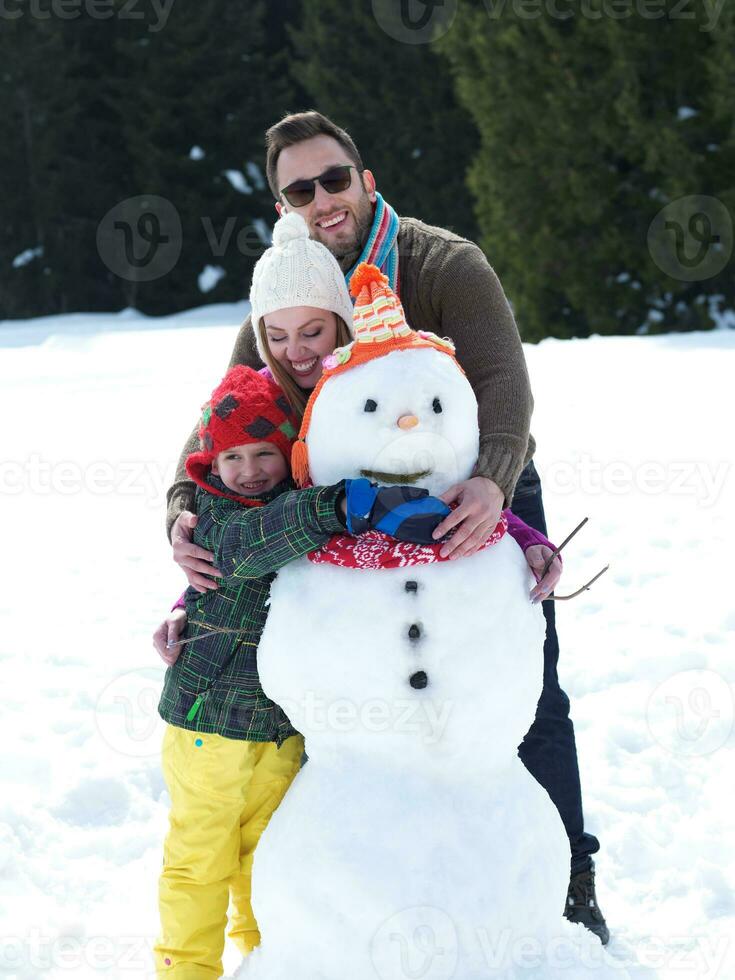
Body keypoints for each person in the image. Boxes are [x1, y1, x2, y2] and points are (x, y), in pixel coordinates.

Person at [165, 123, 609, 942]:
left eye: (333, 180)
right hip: (340, 513)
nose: (322, 201)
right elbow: (224, 420)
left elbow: (503, 380)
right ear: (282, 205)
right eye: (300, 190)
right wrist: (180, 519)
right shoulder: (285, 293)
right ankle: (352, 892)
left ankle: (564, 883)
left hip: (475, 491)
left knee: (518, 691)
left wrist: (494, 482)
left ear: (364, 178)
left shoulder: (443, 263)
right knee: (341, 687)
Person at [154, 363, 464, 978]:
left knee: (265, 856)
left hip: (278, 728)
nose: (248, 470)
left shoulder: (289, 504)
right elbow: (253, 544)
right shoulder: (218, 518)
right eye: (232, 457)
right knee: (201, 857)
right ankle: (186, 970)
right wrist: (344, 504)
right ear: (210, 468)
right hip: (208, 723)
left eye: (263, 452)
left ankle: (266, 961)